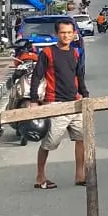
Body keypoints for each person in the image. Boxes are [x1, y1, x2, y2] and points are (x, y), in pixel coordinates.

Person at [31, 19, 88, 190]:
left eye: (70, 33)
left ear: (73, 34)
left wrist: (85, 95)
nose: (67, 36)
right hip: (56, 104)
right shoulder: (47, 53)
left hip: (75, 102)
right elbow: (37, 75)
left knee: (82, 138)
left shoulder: (75, 53)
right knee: (49, 143)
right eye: (63, 32)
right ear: (57, 34)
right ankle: (40, 176)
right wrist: (34, 100)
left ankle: (80, 175)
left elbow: (79, 76)